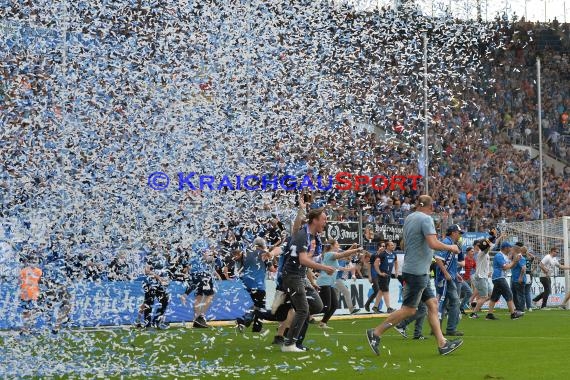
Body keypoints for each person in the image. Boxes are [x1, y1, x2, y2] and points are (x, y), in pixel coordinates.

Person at [366, 195, 463, 356]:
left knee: (432, 304)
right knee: (409, 310)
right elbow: (432, 243)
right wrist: (451, 247)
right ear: (430, 207)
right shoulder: (425, 219)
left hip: (415, 269)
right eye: (433, 207)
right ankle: (375, 333)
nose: (433, 211)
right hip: (417, 271)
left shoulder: (410, 218)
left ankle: (442, 343)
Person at [280, 207, 335, 352]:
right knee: (303, 310)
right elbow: (303, 260)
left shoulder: (311, 236)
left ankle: (294, 340)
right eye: (323, 219)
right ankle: (290, 343)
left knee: (316, 306)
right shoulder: (304, 235)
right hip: (292, 276)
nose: (326, 222)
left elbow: (305, 264)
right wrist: (324, 268)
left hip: (300, 277)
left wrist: (311, 281)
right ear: (315, 220)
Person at [316, 240, 363, 329]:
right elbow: (344, 254)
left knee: (334, 306)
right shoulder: (329, 254)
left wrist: (353, 248)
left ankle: (323, 323)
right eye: (337, 244)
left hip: (330, 283)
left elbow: (344, 256)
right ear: (332, 246)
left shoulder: (332, 256)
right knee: (326, 307)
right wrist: (356, 250)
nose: (339, 245)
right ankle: (306, 313)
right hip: (324, 282)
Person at [235, 237, 278, 332]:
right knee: (261, 306)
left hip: (246, 281)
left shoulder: (246, 253)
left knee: (257, 304)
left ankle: (245, 320)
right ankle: (254, 326)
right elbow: (272, 269)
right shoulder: (264, 254)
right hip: (258, 282)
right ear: (263, 245)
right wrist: (273, 258)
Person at [434, 224, 464, 337]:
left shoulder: (451, 243)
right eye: (459, 233)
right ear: (453, 232)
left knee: (443, 303)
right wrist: (446, 273)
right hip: (445, 278)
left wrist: (456, 274)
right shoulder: (446, 242)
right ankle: (451, 329)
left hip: (449, 277)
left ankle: (437, 329)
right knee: (454, 302)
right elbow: (437, 258)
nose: (459, 235)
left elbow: (450, 263)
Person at [180, 240, 217, 328]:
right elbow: (209, 259)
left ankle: (198, 318)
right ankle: (199, 317)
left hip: (202, 277)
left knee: (199, 296)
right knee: (208, 296)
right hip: (203, 278)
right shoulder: (200, 256)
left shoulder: (195, 258)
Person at [485, 242, 525, 320]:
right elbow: (506, 267)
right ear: (506, 248)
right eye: (510, 247)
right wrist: (514, 261)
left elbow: (509, 267)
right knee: (509, 294)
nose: (511, 249)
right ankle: (513, 314)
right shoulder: (499, 256)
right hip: (499, 277)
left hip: (498, 277)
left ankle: (489, 314)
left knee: (494, 297)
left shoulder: (503, 256)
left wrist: (515, 261)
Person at [136, 245, 171, 329]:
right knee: (148, 304)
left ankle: (157, 320)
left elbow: (165, 272)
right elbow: (147, 271)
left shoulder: (164, 260)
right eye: (158, 248)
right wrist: (158, 277)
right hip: (150, 284)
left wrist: (165, 280)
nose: (160, 249)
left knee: (164, 301)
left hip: (159, 285)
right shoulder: (150, 258)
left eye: (161, 248)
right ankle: (145, 323)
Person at [19, 254, 42, 334]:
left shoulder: (24, 270)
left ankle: (25, 329)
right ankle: (26, 329)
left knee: (28, 312)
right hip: (31, 294)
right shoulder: (38, 271)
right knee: (30, 312)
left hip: (28, 294)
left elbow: (19, 282)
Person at [470, 239, 493, 318]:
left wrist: (492, 238)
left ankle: (477, 304)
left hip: (484, 277)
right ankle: (474, 313)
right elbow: (487, 248)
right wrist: (489, 241)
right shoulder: (481, 253)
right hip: (481, 277)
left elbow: (490, 246)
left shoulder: (485, 253)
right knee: (484, 297)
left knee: (492, 295)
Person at [364, 242, 385, 313]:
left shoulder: (383, 255)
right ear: (379, 247)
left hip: (380, 276)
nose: (384, 247)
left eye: (384, 246)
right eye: (382, 246)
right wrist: (369, 276)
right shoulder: (374, 255)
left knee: (379, 291)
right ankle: (370, 305)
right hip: (374, 275)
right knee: (378, 291)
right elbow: (369, 266)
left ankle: (374, 307)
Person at [510, 244, 527, 312]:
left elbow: (523, 268)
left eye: (512, 250)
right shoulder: (515, 258)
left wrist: (520, 277)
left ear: (515, 250)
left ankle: (521, 309)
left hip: (519, 279)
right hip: (514, 279)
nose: (511, 251)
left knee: (520, 295)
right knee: (514, 294)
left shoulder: (521, 258)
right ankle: (517, 308)